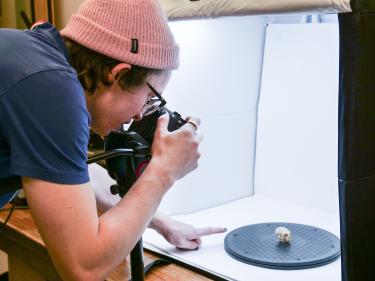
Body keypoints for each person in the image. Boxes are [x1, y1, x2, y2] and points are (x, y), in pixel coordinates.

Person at [0, 0, 226, 280]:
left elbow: (74, 174)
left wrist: (160, 221)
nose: (141, 114)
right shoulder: (52, 90)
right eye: (149, 97)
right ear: (118, 73)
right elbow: (84, 267)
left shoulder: (37, 59)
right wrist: (163, 172)